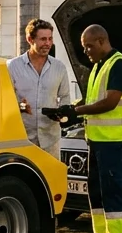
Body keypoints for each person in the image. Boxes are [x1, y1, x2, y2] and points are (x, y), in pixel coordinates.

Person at [69, 24, 122, 233]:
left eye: (89, 46)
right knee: (97, 196)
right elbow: (91, 102)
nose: (86, 51)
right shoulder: (99, 66)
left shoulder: (120, 65)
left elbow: (109, 102)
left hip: (115, 141)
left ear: (101, 41)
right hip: (98, 140)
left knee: (113, 196)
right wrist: (68, 111)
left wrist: (76, 112)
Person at [7, 19, 73, 160]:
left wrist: (61, 113)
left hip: (51, 140)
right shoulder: (12, 66)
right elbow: (4, 101)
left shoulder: (59, 67)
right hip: (22, 139)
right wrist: (20, 106)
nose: (48, 43)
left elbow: (65, 97)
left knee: (51, 180)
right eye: (43, 39)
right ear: (30, 39)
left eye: (50, 39)